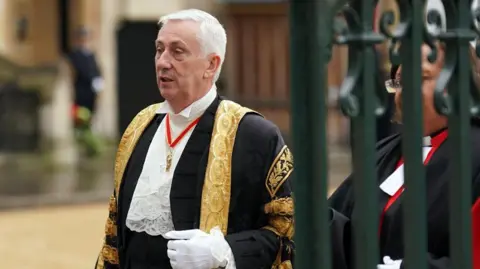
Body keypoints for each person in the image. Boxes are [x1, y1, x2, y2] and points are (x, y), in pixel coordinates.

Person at [94, 9, 294, 269]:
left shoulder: (254, 135)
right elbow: (114, 233)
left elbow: (288, 229)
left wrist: (226, 252)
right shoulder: (138, 127)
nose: (163, 62)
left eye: (177, 52)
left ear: (211, 64)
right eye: (159, 49)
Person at [328, 0, 480, 268]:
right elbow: (342, 227)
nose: (402, 93)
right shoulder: (383, 152)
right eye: (398, 82)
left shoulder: (474, 153)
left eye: (419, 78)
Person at [68, 26, 104, 156]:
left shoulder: (91, 54)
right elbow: (81, 71)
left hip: (91, 93)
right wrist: (91, 79)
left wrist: (99, 80)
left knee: (91, 117)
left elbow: (96, 69)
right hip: (81, 92)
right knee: (81, 118)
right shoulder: (75, 55)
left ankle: (90, 147)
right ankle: (83, 144)